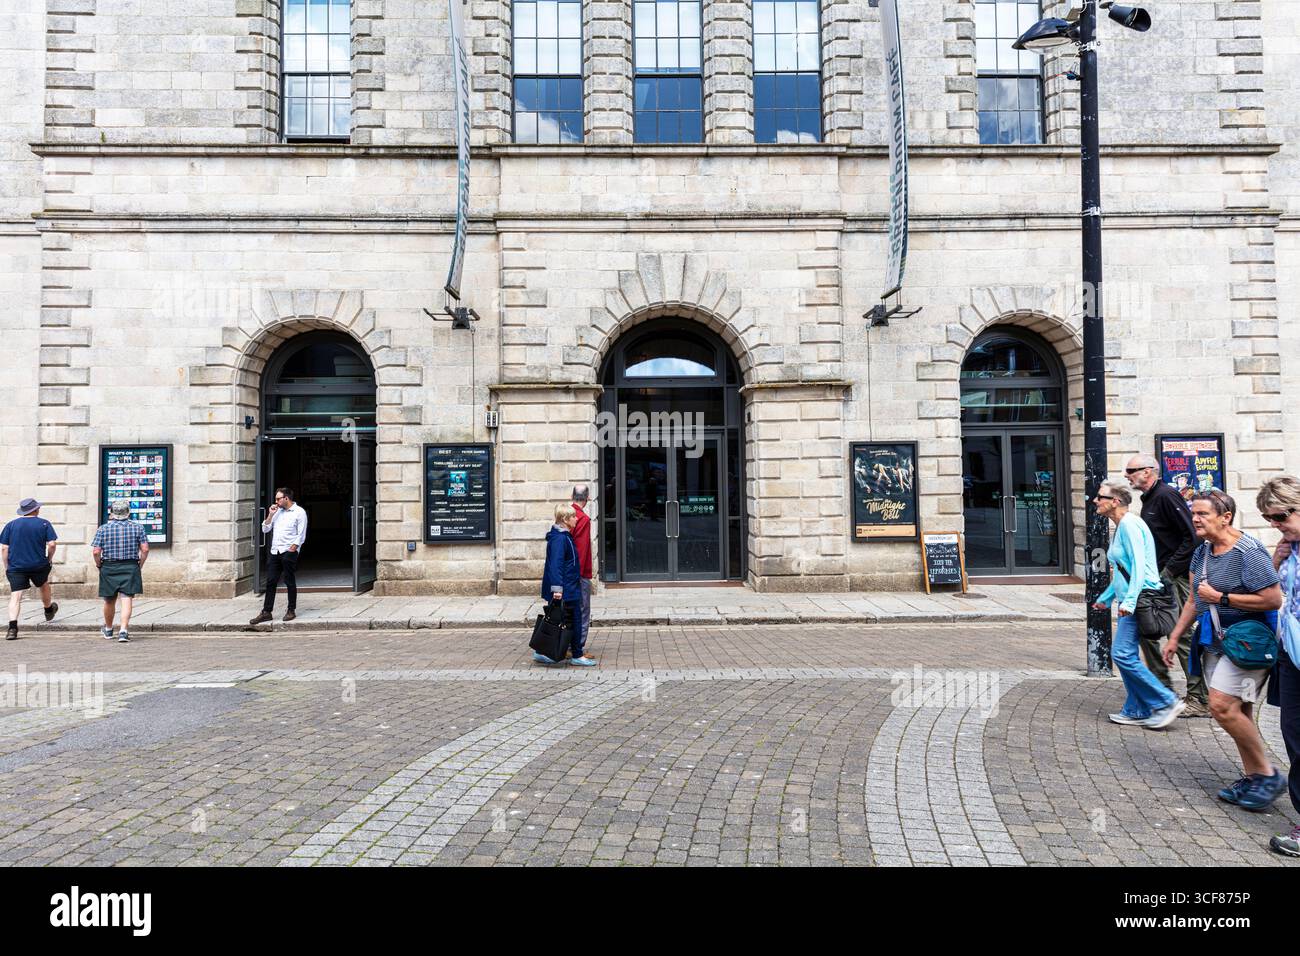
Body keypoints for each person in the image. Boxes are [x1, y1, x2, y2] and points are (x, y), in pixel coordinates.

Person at [1163, 488, 1287, 811]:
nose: (1195, 520)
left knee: (1220, 706)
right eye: (1193, 514)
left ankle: (1267, 774)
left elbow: (1273, 598)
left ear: (1226, 516)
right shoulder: (1202, 552)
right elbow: (1194, 598)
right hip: (1217, 641)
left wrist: (1223, 598)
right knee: (1239, 710)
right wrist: (1176, 635)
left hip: (1249, 646)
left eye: (1202, 514)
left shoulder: (1249, 551)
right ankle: (1254, 777)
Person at [1092, 480, 1185, 728]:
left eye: (1100, 497)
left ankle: (1165, 700)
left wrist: (1130, 601)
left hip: (1140, 599)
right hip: (1131, 599)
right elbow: (1125, 571)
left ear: (1115, 502)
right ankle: (1136, 709)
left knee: (1121, 654)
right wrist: (1106, 598)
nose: (1095, 501)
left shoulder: (1130, 525)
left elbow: (1142, 568)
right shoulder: (1122, 526)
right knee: (1126, 654)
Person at [1126, 453, 1208, 716]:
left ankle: (1200, 697)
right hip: (1159, 577)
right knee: (1149, 633)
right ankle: (1163, 691)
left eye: (1131, 470)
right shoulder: (1150, 499)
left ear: (1148, 471)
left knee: (1181, 634)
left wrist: (1170, 570)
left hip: (1176, 576)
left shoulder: (1165, 496)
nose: (1127, 475)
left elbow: (1193, 537)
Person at [1256, 476, 1300, 855]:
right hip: (1291, 653)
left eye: (1281, 515)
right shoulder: (1289, 547)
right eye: (1270, 518)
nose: (1276, 524)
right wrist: (1276, 559)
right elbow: (1275, 594)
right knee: (1294, 735)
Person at [537, 503, 595, 667]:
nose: (577, 519)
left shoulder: (564, 536)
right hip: (566, 589)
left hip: (569, 587)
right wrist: (557, 589)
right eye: (573, 517)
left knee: (558, 621)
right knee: (573, 620)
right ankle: (576, 654)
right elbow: (556, 565)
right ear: (565, 519)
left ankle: (542, 651)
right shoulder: (560, 539)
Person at [91, 498, 149, 643]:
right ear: (128, 512)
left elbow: (96, 552)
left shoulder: (103, 529)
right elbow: (145, 549)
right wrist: (139, 565)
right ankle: (123, 631)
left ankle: (109, 630)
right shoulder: (138, 528)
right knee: (126, 598)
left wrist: (99, 565)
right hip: (130, 566)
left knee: (109, 600)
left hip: (109, 566)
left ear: (111, 513)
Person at [1, 497, 59, 641]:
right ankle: (48, 609)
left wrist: (7, 566)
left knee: (16, 596)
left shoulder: (11, 525)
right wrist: (49, 559)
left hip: (16, 566)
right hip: (38, 564)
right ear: (36, 509)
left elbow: (4, 548)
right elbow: (52, 544)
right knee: (43, 584)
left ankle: (12, 628)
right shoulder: (44, 523)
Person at [250, 487, 307, 625]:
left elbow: (301, 534)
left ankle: (291, 610)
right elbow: (265, 528)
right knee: (271, 582)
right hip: (275, 552)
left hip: (289, 552)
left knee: (289, 581)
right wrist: (270, 514)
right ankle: (266, 612)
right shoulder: (277, 512)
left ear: (286, 498)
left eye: (278, 498)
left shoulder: (299, 512)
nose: (276, 501)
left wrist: (293, 548)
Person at [571, 484, 594, 651]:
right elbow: (582, 548)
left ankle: (566, 645)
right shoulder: (583, 519)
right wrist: (581, 574)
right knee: (583, 610)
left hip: (566, 571)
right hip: (579, 572)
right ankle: (577, 647)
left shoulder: (565, 514)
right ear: (586, 499)